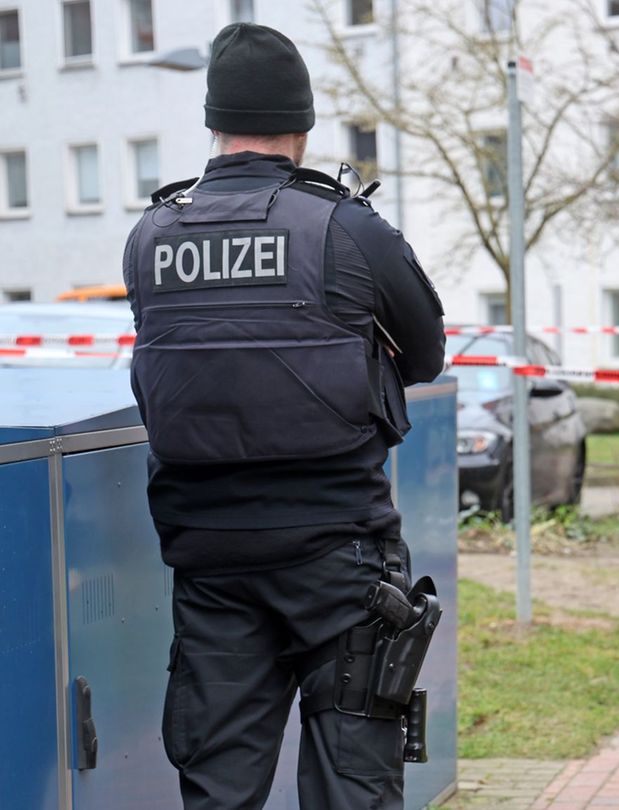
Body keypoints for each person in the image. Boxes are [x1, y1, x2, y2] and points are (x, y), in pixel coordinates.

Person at [121, 23, 446, 810]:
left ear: (213, 123)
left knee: (219, 787)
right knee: (352, 788)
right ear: (301, 127)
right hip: (340, 561)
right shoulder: (347, 229)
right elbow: (427, 354)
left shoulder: (150, 238)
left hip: (211, 562)